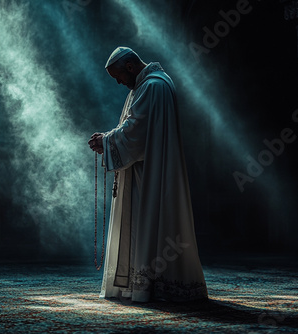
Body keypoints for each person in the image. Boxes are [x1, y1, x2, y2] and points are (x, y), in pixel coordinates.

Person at [88, 47, 208, 302]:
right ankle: (144, 285)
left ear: (130, 66)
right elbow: (132, 128)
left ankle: (152, 286)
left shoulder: (153, 86)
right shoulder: (148, 85)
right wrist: (110, 140)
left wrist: (106, 140)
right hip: (147, 169)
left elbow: (136, 133)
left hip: (151, 173)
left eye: (118, 76)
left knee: (149, 223)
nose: (119, 82)